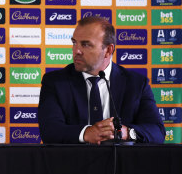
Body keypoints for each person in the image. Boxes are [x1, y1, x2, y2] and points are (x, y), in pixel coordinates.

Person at [38, 16, 165, 144]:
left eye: (86, 44)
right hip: (73, 162)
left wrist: (126, 132)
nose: (76, 50)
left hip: (121, 162)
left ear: (108, 50)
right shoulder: (55, 82)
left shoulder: (136, 83)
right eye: (74, 42)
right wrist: (86, 133)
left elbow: (157, 132)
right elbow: (49, 131)